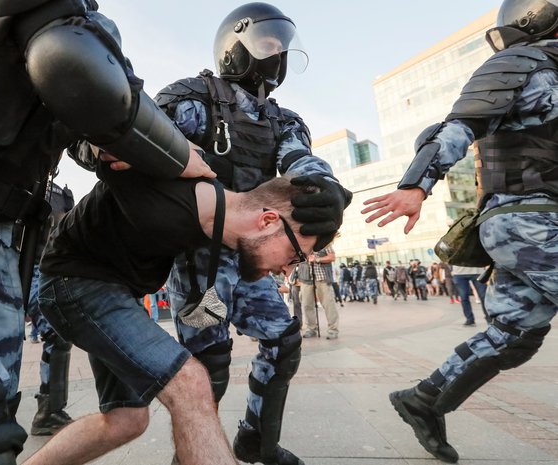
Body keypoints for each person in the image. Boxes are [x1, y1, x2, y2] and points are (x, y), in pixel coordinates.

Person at [0, 2, 216, 464]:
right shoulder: (71, 27)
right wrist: (168, 151)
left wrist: (107, 146)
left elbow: (78, 122)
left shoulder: (88, 18)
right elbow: (70, 61)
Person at [155, 3, 352, 464]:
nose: (277, 58)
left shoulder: (280, 119)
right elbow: (148, 144)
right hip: (197, 256)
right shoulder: (193, 99)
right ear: (234, 46)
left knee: (283, 339)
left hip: (252, 252)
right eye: (268, 45)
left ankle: (255, 440)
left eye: (283, 49)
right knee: (210, 362)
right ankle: (191, 456)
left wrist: (322, 185)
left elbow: (299, 157)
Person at [24, 167, 328, 465]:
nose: (288, 271)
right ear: (267, 221)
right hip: (74, 282)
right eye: (295, 256)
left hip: (114, 289)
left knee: (126, 420)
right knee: (191, 384)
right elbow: (108, 156)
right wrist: (168, 154)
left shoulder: (219, 216)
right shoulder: (173, 200)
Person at [362, 1, 558, 461]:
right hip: (527, 219)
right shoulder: (520, 63)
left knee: (516, 332)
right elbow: (459, 125)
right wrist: (416, 185)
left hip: (533, 222)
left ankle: (423, 400)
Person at [26, 180, 76, 436]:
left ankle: (50, 410)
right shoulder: (26, 178)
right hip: (13, 261)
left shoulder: (61, 193)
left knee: (58, 334)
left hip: (45, 269)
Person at [298, 246, 340, 339]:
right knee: (307, 305)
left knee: (329, 304)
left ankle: (333, 329)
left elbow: (332, 257)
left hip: (323, 278)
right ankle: (311, 329)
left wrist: (317, 259)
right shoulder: (301, 244)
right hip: (306, 278)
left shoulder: (324, 244)